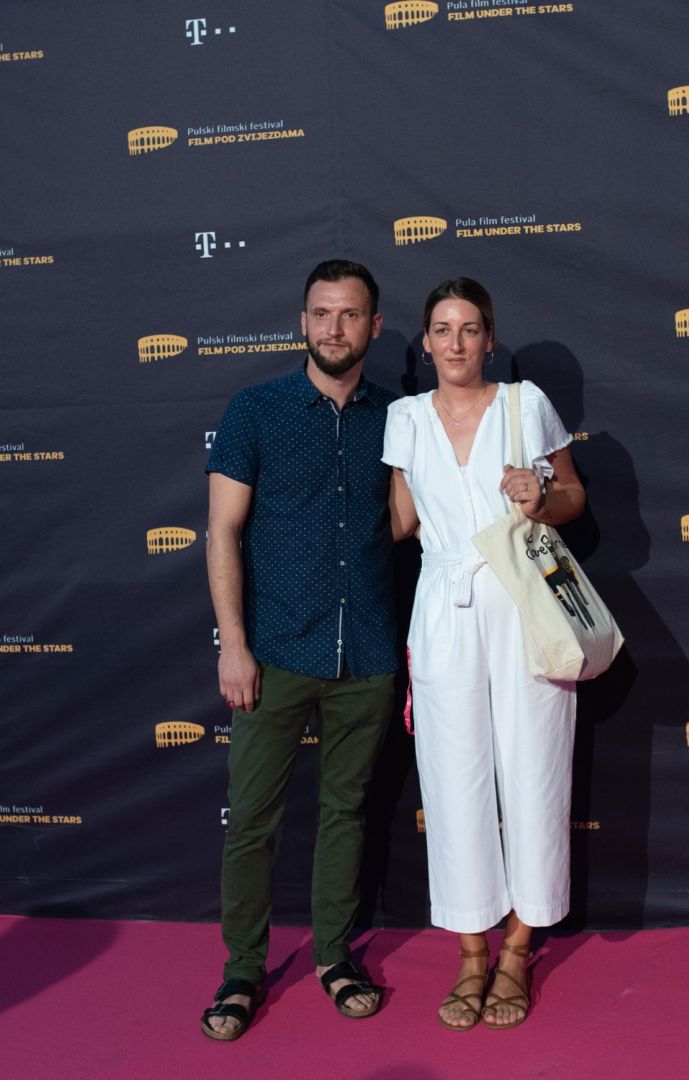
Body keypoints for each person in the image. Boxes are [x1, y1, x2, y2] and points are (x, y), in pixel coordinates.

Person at [201, 260, 397, 1040]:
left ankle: (333, 957)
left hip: (368, 653)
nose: (333, 328)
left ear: (373, 326)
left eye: (349, 315)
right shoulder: (255, 409)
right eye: (321, 313)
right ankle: (242, 971)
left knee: (345, 813)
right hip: (275, 649)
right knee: (251, 818)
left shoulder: (397, 418)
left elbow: (407, 521)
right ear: (302, 322)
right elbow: (221, 531)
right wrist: (234, 646)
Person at [383, 278, 585, 1032]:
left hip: (525, 600)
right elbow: (400, 522)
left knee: (535, 770)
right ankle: (472, 953)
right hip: (443, 607)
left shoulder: (525, 404)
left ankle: (518, 950)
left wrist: (540, 497)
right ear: (426, 342)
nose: (456, 342)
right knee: (452, 778)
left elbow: (572, 496)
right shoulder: (405, 418)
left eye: (470, 328)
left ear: (489, 339)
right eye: (442, 329)